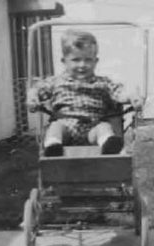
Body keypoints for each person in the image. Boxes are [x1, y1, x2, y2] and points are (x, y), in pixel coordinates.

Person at [27, 28, 143, 156]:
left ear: (95, 61)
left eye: (88, 60)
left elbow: (120, 93)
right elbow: (37, 90)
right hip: (65, 126)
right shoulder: (56, 82)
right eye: (76, 60)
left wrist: (133, 97)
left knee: (104, 127)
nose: (82, 65)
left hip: (93, 127)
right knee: (55, 127)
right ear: (64, 61)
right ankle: (53, 147)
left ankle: (108, 145)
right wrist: (33, 98)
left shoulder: (103, 83)